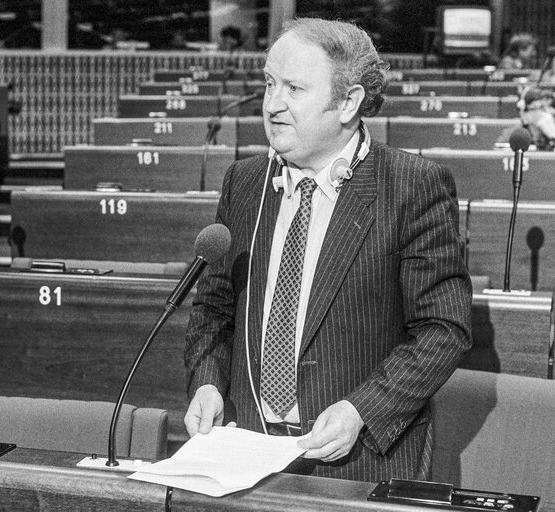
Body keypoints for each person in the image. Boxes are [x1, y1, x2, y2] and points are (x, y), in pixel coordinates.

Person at [184, 17, 472, 482]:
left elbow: (443, 328)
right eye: (269, 84)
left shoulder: (413, 186)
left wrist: (361, 409)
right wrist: (209, 382)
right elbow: (213, 310)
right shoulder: (244, 182)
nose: (272, 105)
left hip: (359, 460)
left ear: (348, 103)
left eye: (294, 89)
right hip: (246, 453)